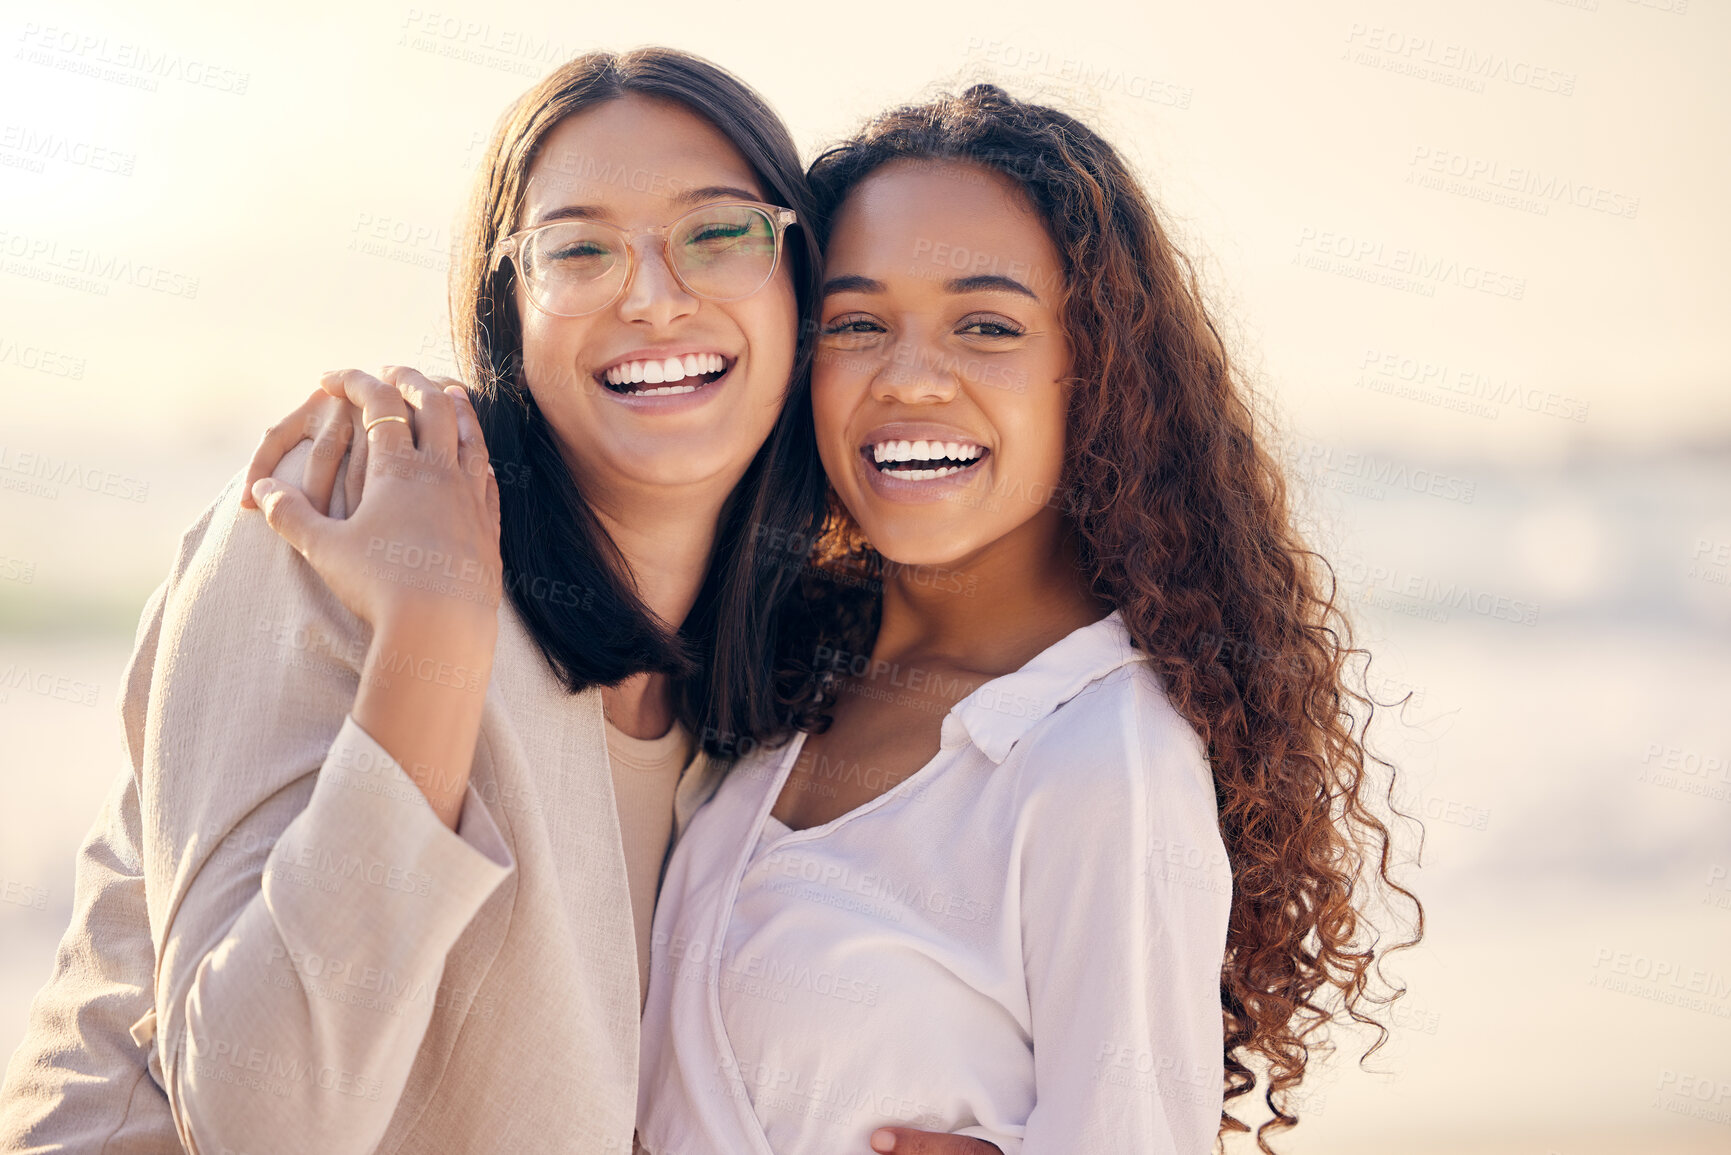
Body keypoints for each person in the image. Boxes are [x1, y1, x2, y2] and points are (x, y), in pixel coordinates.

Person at [0, 49, 994, 1155]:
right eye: (578, 250)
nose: (655, 298)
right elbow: (261, 1122)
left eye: (719, 234)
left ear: (803, 294)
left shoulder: (770, 692)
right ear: (508, 312)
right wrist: (435, 634)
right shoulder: (347, 514)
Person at [636, 85, 1423, 1154]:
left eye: (988, 326)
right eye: (858, 324)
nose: (911, 379)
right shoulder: (774, 686)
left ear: (1096, 376)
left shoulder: (1105, 756)